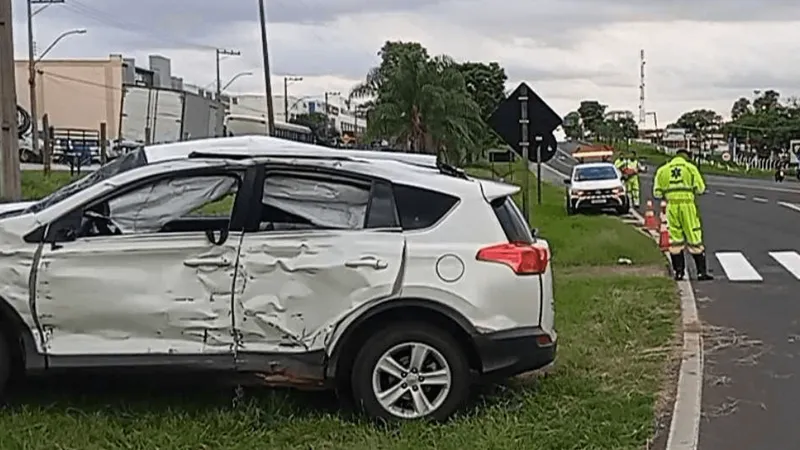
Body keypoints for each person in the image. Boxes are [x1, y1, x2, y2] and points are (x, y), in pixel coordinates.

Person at [653, 148, 713, 281]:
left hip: (671, 206)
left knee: (675, 240)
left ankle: (679, 273)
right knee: (694, 237)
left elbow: (657, 193)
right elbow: (700, 188)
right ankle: (701, 273)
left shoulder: (663, 170)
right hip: (687, 205)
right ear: (686, 157)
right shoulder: (690, 168)